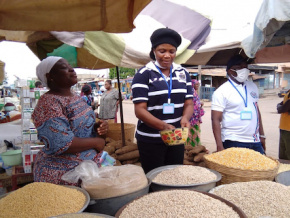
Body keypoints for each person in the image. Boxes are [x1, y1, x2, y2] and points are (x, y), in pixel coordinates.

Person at [32, 56, 109, 186]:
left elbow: (80, 127)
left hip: (87, 168)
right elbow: (61, 142)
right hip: (63, 175)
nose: (72, 70)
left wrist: (97, 127)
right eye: (64, 68)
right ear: (50, 76)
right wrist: (97, 142)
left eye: (70, 66)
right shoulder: (48, 103)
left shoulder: (75, 97)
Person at [131, 28, 194, 173]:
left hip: (176, 137)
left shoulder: (183, 73)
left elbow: (189, 103)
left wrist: (185, 117)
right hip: (151, 139)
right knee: (154, 178)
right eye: (162, 51)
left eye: (171, 51)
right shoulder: (143, 74)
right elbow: (140, 110)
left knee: (173, 176)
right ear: (154, 50)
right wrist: (162, 126)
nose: (167, 56)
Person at [211, 55, 266, 154]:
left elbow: (256, 111)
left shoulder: (252, 86)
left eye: (245, 67)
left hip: (254, 140)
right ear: (230, 71)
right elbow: (215, 119)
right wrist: (219, 145)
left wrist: (262, 135)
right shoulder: (221, 91)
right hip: (233, 140)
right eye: (239, 68)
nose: (243, 70)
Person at [187, 79, 205, 147]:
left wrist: (200, 105)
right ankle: (191, 147)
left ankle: (195, 146)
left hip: (196, 117)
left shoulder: (195, 92)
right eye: (196, 84)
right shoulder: (191, 92)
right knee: (191, 132)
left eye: (198, 84)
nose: (197, 86)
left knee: (195, 132)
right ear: (192, 85)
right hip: (192, 117)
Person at [277, 89, 290, 160]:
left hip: (288, 130)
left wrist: (280, 106)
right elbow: (282, 105)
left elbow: (283, 108)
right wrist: (280, 106)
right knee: (282, 157)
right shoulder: (288, 92)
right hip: (284, 127)